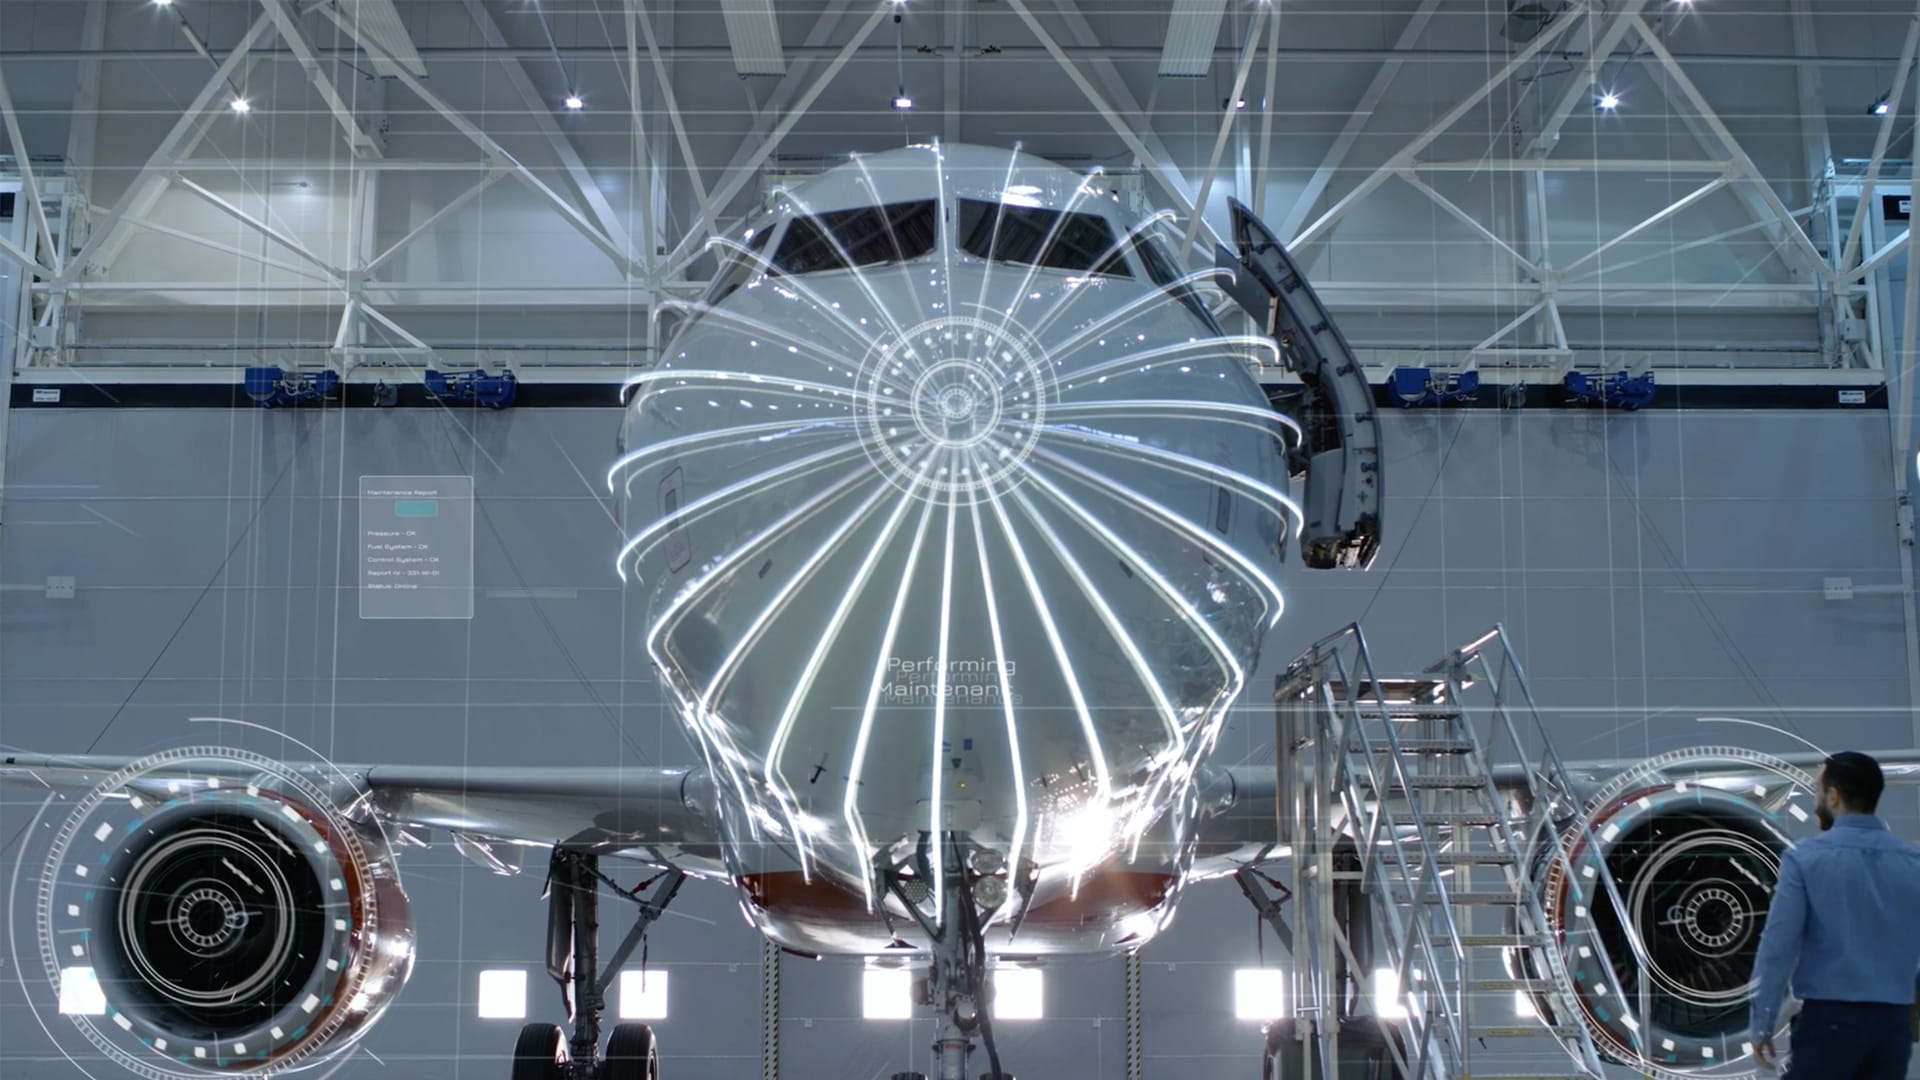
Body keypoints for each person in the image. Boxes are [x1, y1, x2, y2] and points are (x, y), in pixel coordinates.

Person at [1750, 751, 1920, 1078]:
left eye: (1817, 790)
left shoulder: (1805, 859)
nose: (1816, 800)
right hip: (1893, 1028)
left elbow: (1777, 947)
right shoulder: (1913, 862)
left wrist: (1762, 1022)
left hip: (1830, 1025)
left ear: (1833, 796)